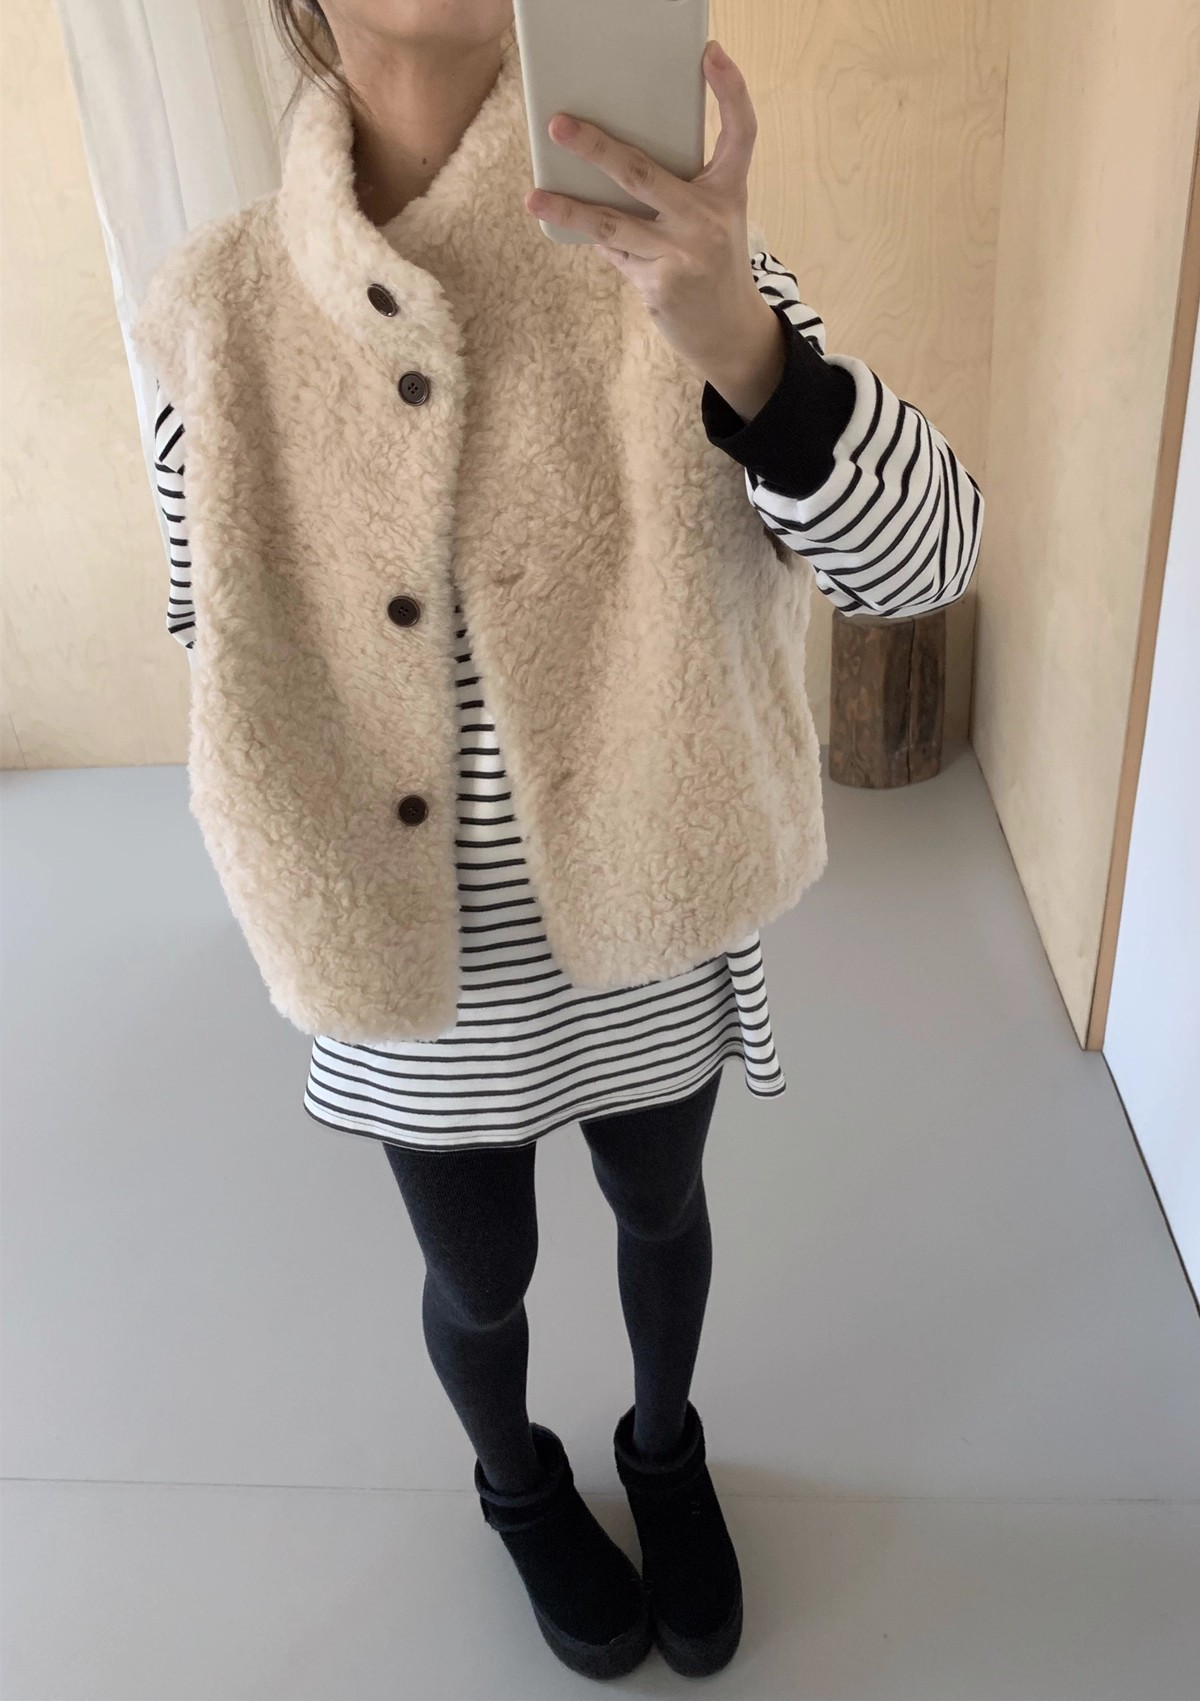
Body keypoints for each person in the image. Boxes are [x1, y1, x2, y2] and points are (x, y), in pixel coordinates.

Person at [137, 0, 983, 1680]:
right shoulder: (215, 308)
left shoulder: (677, 258)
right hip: (408, 950)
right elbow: (201, 614)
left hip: (652, 899)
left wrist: (749, 350)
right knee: (482, 1276)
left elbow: (927, 561)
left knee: (661, 1206)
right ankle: (516, 1481)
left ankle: (664, 1448)